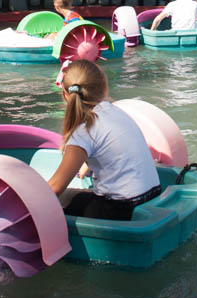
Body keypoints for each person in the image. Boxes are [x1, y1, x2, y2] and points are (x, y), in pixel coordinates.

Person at [46, 60, 161, 221]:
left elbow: (54, 188)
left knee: (57, 200)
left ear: (66, 96)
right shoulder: (117, 112)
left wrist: (26, 201)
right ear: (105, 87)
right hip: (153, 197)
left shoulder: (83, 131)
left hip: (120, 209)